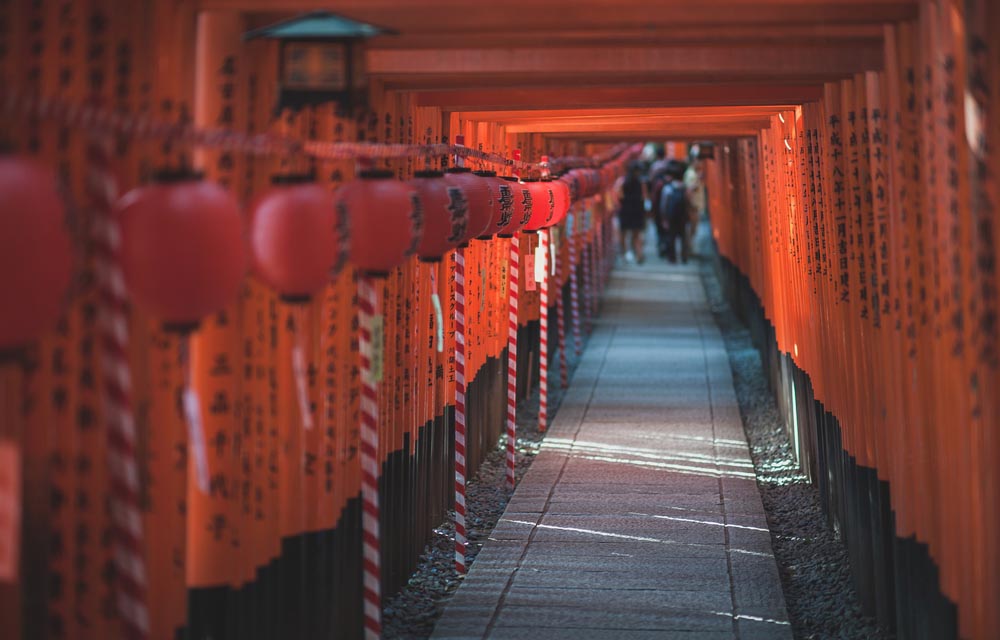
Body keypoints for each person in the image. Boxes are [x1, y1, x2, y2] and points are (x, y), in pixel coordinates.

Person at [616, 162, 648, 264]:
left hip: (625, 210)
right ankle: (638, 254)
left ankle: (625, 254)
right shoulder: (641, 182)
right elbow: (644, 196)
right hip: (637, 210)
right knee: (636, 234)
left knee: (623, 234)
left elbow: (618, 195)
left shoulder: (622, 181)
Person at [658, 167, 689, 263]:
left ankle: (672, 258)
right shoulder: (684, 187)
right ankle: (684, 257)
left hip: (671, 216)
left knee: (671, 237)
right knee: (683, 237)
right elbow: (688, 201)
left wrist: (664, 218)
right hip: (683, 216)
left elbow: (663, 204)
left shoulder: (668, 188)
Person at [684, 149, 707, 253]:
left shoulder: (693, 173)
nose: (700, 163)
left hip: (694, 205)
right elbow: (689, 189)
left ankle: (689, 247)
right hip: (692, 205)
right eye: (698, 160)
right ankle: (689, 247)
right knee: (692, 227)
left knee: (693, 227)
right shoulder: (691, 174)